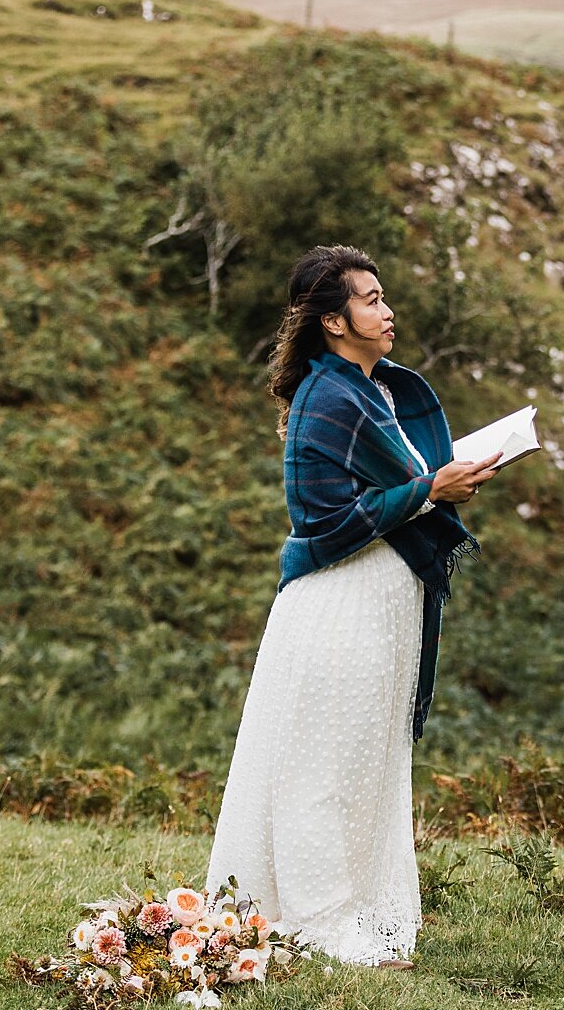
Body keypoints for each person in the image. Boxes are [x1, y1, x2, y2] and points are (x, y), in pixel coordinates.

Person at [205, 245, 500, 968]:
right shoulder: (327, 397)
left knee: (366, 763)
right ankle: (321, 924)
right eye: (370, 299)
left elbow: (399, 480)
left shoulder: (377, 389)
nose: (387, 308)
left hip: (382, 608)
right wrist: (432, 490)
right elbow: (324, 521)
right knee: (323, 769)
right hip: (339, 609)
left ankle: (357, 913)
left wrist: (439, 481)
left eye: (382, 294)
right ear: (334, 322)